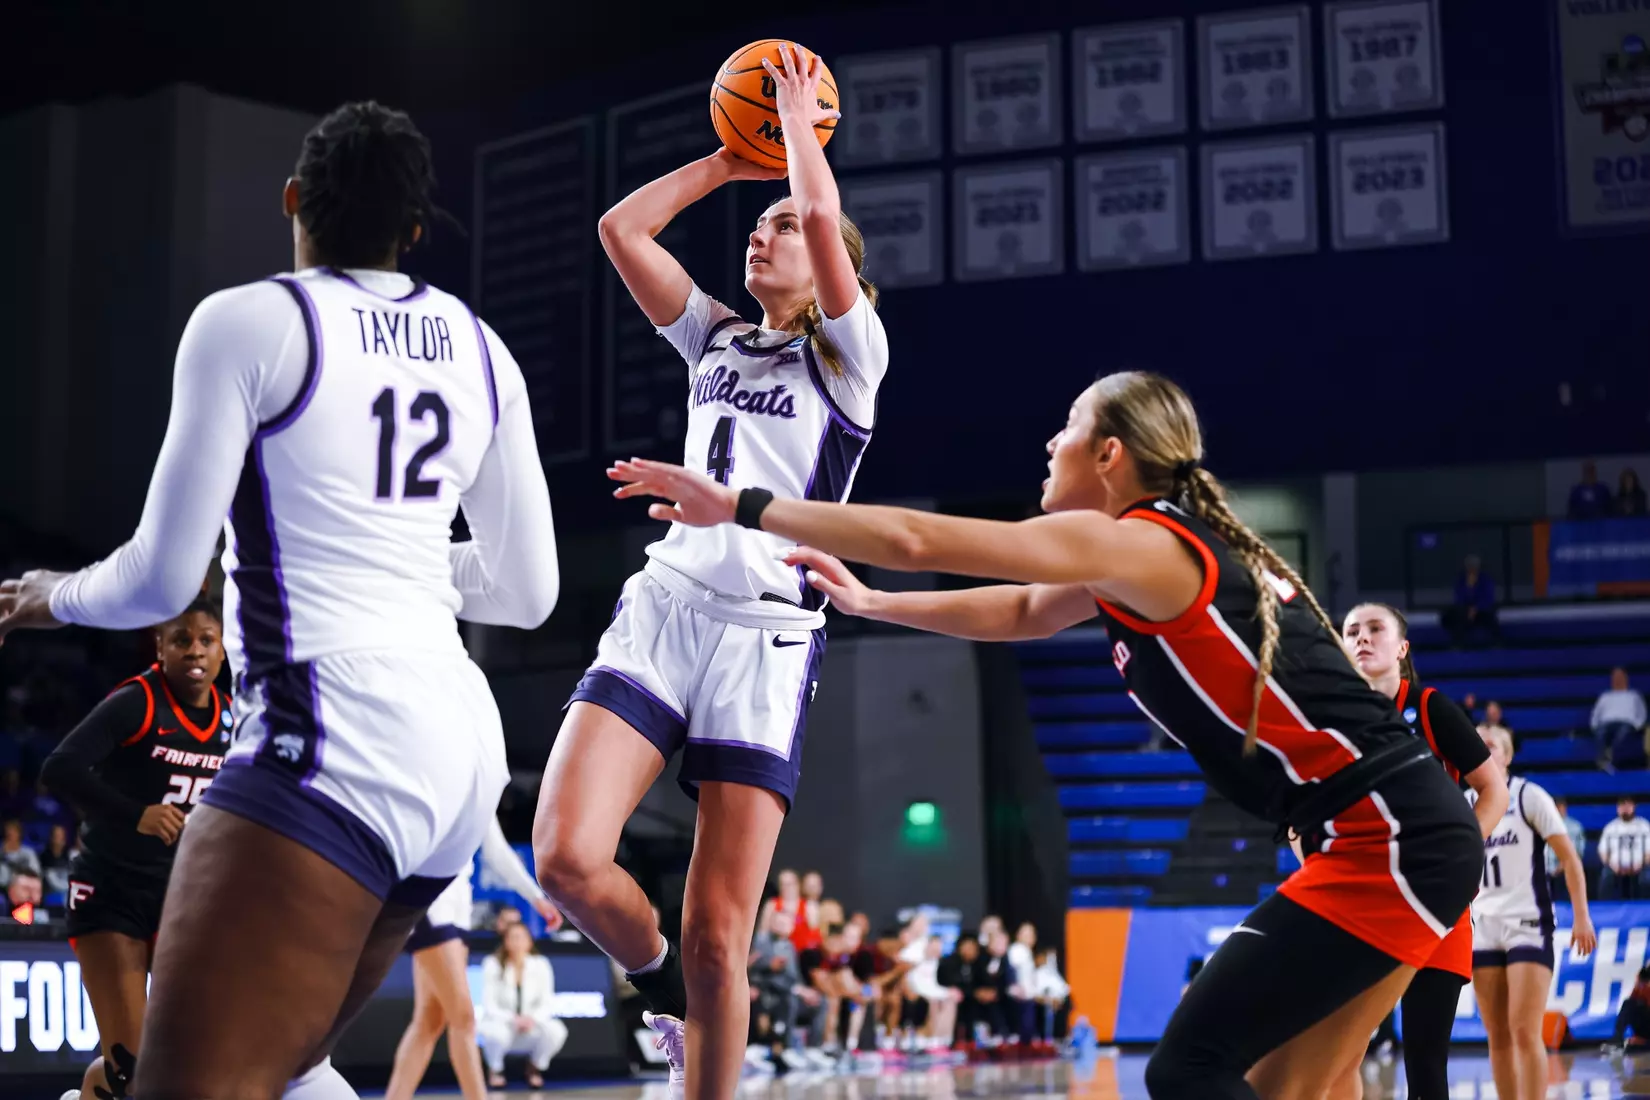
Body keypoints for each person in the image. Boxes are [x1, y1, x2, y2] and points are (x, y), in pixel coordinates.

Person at [606, 369, 1487, 1100]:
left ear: (1111, 455)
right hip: (1383, 833)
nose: (1048, 444)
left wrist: (747, 505)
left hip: (1392, 835)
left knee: (1190, 1067)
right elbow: (1026, 611)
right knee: (1286, 1085)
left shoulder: (1144, 545)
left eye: (1067, 428)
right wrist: (875, 604)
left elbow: (916, 535)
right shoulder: (1137, 558)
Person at [0, 99, 560, 1099]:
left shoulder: (251, 320)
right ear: (416, 231)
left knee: (179, 1083)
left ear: (294, 201)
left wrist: (52, 595)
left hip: (335, 723)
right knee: (290, 1067)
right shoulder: (482, 346)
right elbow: (529, 589)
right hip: (461, 742)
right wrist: (407, 564)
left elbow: (164, 579)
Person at [530, 45, 881, 1100]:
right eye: (757, 221)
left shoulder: (851, 362)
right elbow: (622, 229)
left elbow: (822, 224)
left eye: (777, 220)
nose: (762, 230)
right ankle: (659, 991)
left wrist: (800, 142)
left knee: (720, 932)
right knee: (563, 855)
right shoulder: (716, 339)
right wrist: (734, 162)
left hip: (768, 634)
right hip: (669, 603)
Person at [40, 597, 230, 1100]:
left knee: (184, 1061)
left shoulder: (233, 718)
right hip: (110, 893)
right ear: (160, 647)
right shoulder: (139, 702)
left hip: (179, 900)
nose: (195, 650)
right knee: (134, 1067)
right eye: (181, 640)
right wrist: (136, 813)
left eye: (206, 640)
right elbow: (58, 769)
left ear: (223, 649)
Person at [1338, 601, 1509, 1100]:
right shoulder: (1331, 718)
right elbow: (1298, 818)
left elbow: (1493, 789)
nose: (1363, 638)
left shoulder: (1431, 708)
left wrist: (1462, 851)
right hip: (1363, 903)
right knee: (1340, 1055)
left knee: (1425, 1064)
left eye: (1375, 628)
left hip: (1434, 904)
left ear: (1402, 647)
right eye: (1351, 631)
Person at [385, 817, 562, 1100]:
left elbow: (496, 850)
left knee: (429, 1020)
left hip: (459, 906)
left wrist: (535, 896)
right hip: (430, 897)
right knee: (464, 1018)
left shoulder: (485, 778)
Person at [1471, 727, 1595, 1100]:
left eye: (1492, 745)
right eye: (1477, 744)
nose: (1483, 748)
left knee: (1525, 1030)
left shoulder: (1528, 795)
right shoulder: (1462, 803)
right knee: (1498, 1036)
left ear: (1507, 757)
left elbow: (1570, 859)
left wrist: (1582, 916)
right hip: (1483, 926)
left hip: (1527, 923)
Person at [477, 921, 568, 1089]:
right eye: (513, 937)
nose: (517, 942)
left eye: (521, 937)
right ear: (505, 941)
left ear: (529, 941)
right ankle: (495, 1070)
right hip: (504, 1024)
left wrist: (531, 1019)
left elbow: (547, 1001)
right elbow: (489, 1004)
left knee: (556, 1031)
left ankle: (534, 1068)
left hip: (531, 1024)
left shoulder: (541, 964)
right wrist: (514, 1019)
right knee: (494, 1034)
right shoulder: (492, 963)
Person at [1591, 667, 1646, 772]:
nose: (1617, 680)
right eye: (1615, 677)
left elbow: (1642, 713)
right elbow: (1595, 714)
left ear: (1626, 679)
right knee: (1600, 732)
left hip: (1626, 723)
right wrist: (1595, 726)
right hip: (1606, 723)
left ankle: (1609, 758)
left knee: (1623, 733)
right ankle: (1604, 760)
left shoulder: (1634, 695)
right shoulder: (1605, 696)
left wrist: (1636, 725)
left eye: (1620, 677)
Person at [1442, 555, 1498, 647]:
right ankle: (1457, 645)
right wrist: (1468, 608)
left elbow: (1488, 598)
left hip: (1481, 611)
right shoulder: (1461, 580)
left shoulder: (1485, 580)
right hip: (1465, 611)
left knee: (1490, 619)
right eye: (1469, 567)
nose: (1472, 569)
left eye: (1474, 567)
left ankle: (1496, 645)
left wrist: (1476, 608)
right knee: (1452, 618)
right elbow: (1458, 598)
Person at [1599, 797, 1650, 899]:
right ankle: (1605, 911)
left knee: (1646, 878)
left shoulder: (1644, 826)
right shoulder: (1611, 827)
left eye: (1628, 805)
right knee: (1606, 877)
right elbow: (1603, 852)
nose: (1625, 808)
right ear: (1618, 808)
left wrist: (1641, 864)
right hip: (1615, 867)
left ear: (1634, 807)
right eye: (1622, 805)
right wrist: (1611, 864)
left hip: (1640, 866)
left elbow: (1649, 853)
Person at [1547, 798, 1587, 901]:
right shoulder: (1543, 825)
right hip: (1547, 867)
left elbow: (1578, 851)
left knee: (1573, 871)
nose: (1558, 809)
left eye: (1561, 807)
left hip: (1568, 865)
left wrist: (1563, 864)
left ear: (1565, 808)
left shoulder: (1575, 827)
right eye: (1556, 807)